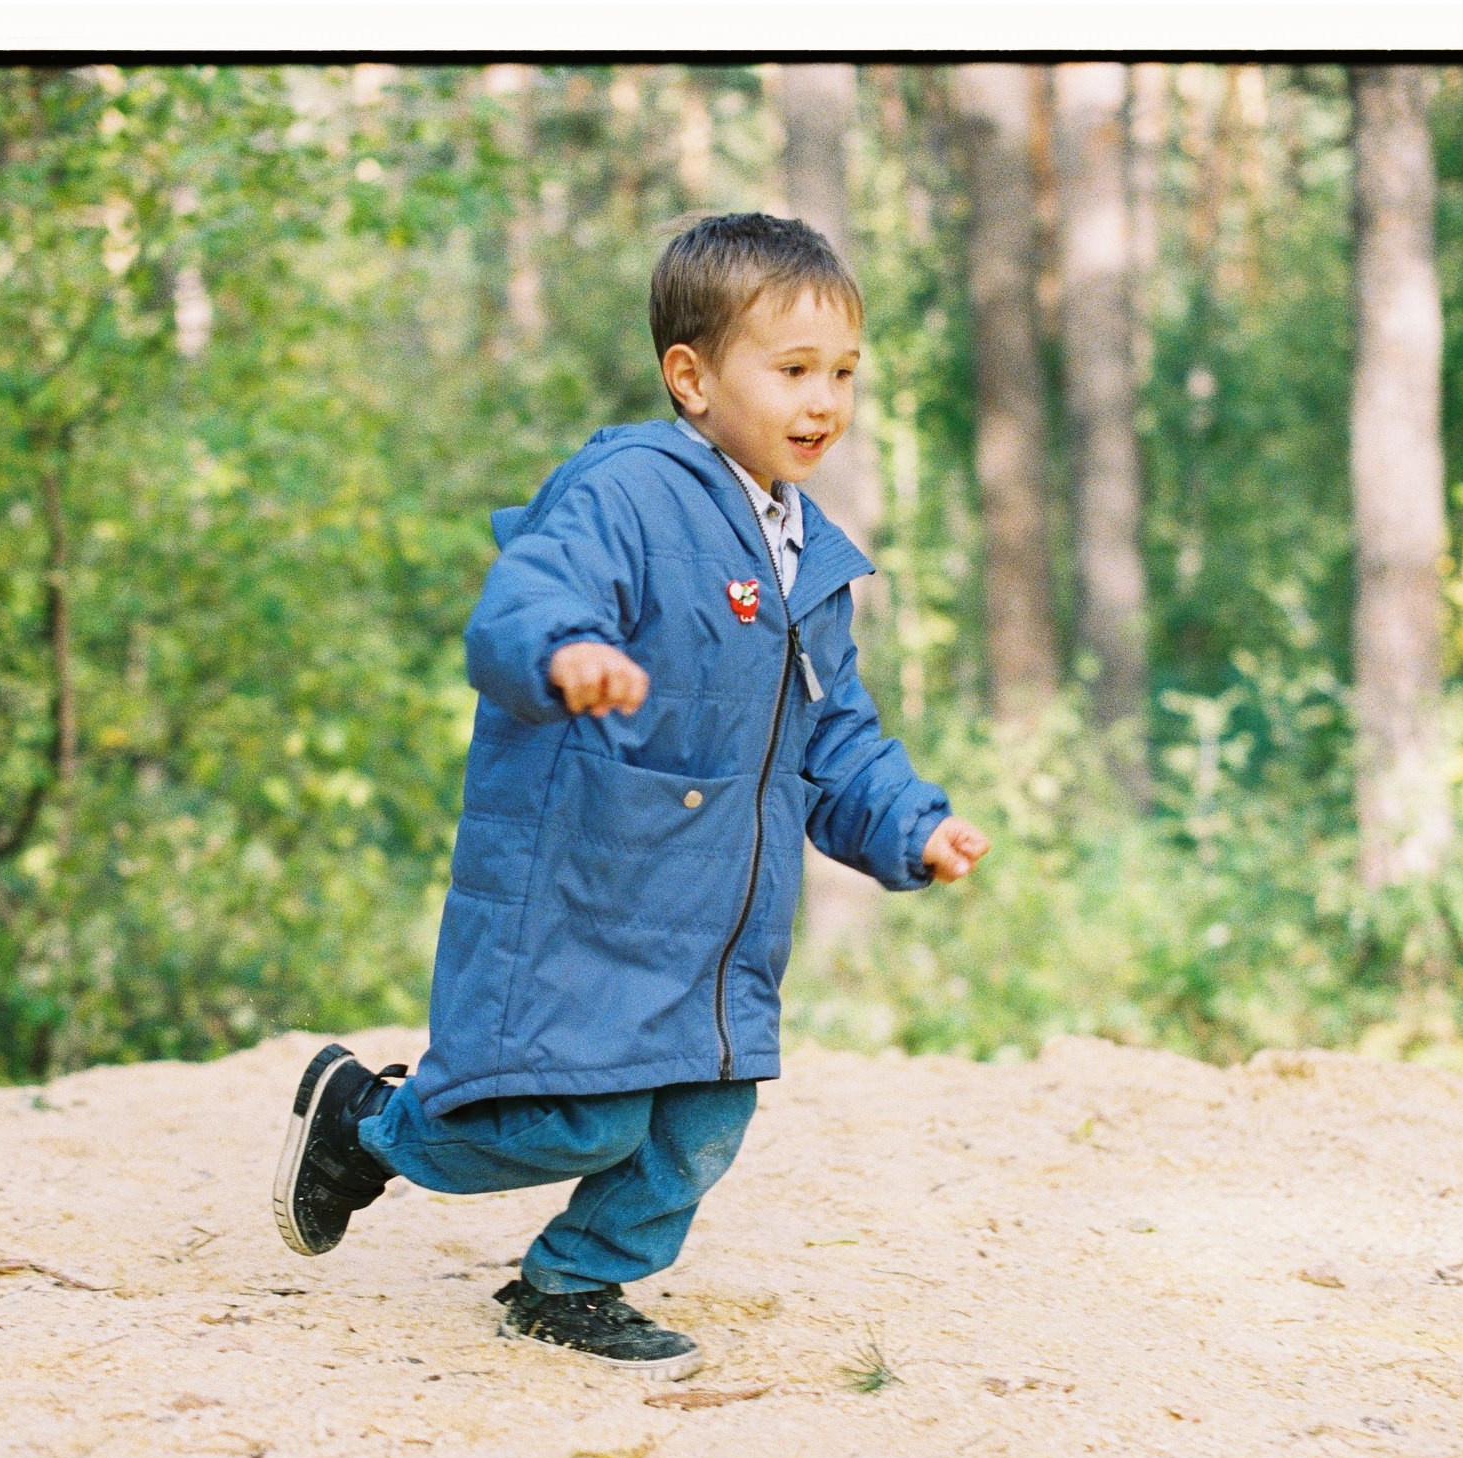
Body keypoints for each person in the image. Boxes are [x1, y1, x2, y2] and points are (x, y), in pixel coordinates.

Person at [272, 212, 990, 1381]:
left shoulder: (811, 559)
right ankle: (363, 1126)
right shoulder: (625, 491)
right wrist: (563, 653)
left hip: (715, 923)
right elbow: (526, 598)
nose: (824, 400)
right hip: (589, 881)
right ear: (691, 377)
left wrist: (910, 824)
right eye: (793, 369)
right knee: (580, 1115)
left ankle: (572, 1282)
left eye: (843, 373)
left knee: (701, 1125)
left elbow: (834, 738)